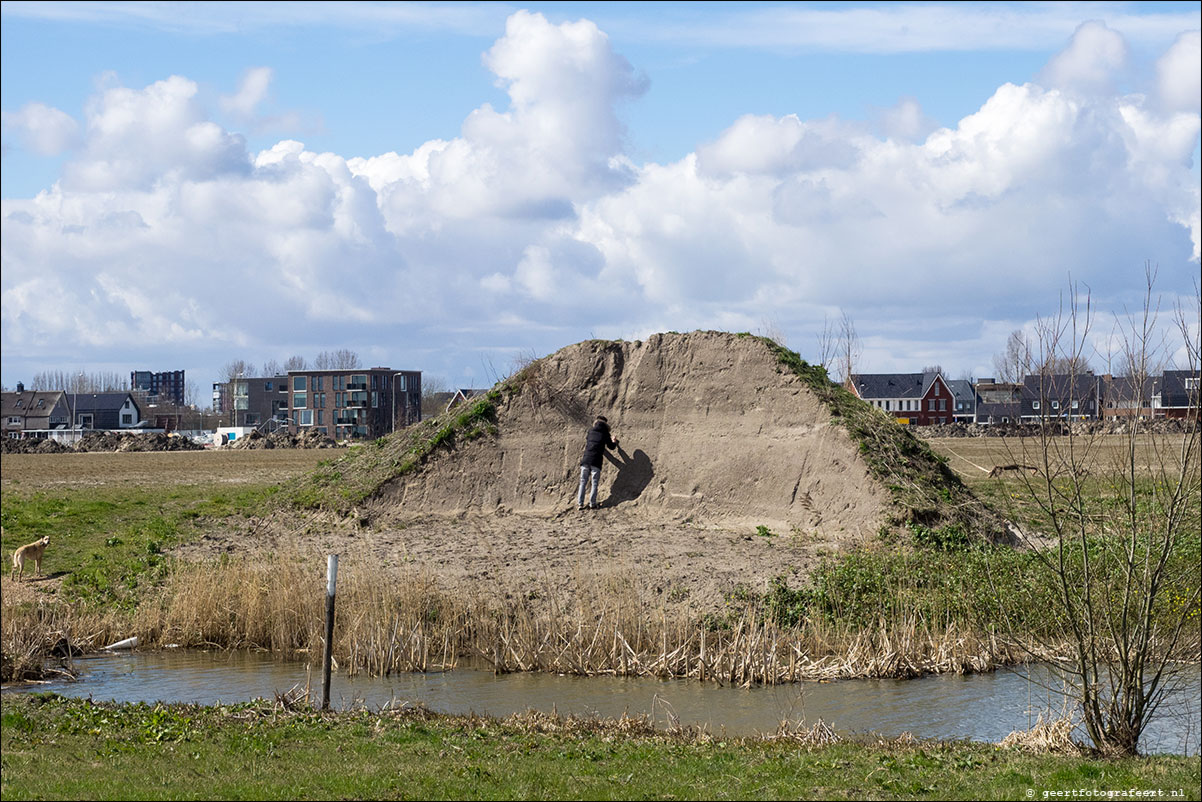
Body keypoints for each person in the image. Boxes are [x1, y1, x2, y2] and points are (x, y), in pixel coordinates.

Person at [577, 415, 619, 510]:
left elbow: (591, 442)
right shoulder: (605, 434)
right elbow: (611, 447)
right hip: (596, 461)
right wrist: (614, 441)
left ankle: (580, 504)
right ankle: (592, 503)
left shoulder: (590, 431)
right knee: (594, 483)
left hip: (586, 460)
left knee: (583, 482)